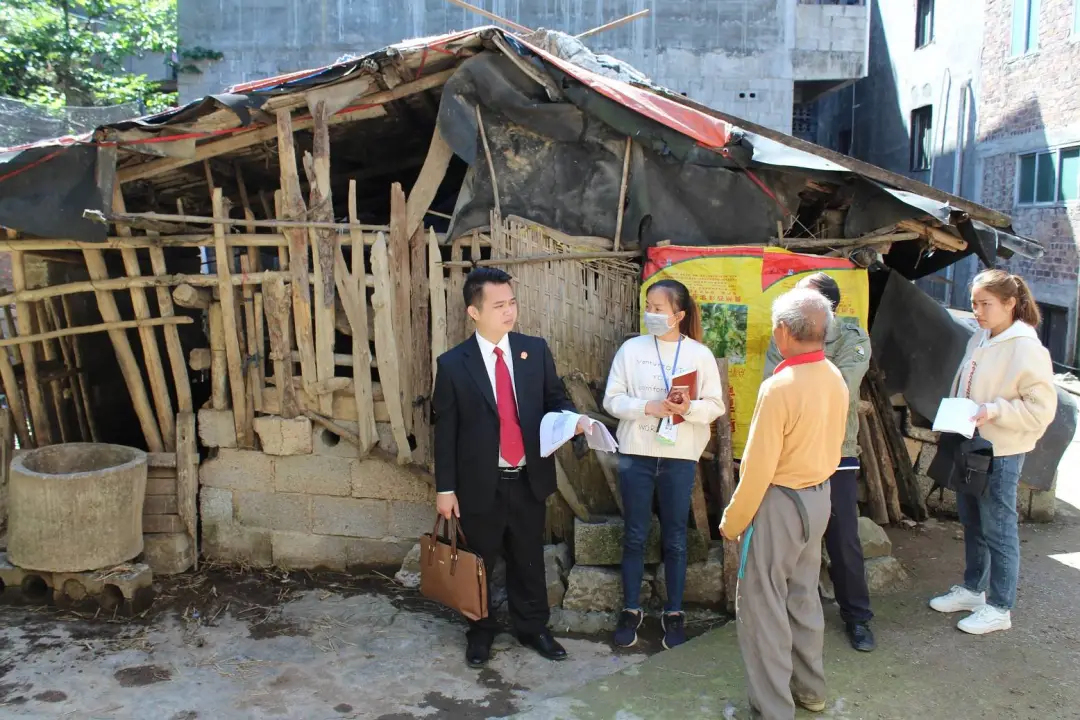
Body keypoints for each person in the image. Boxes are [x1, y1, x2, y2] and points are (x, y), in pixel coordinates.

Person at [431, 267, 586, 668]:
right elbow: (444, 432)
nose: (509, 311)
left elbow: (557, 398)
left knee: (528, 557)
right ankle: (480, 632)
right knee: (478, 561)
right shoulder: (453, 364)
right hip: (479, 483)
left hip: (528, 478)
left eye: (512, 302)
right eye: (498, 305)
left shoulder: (533, 351)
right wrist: (445, 489)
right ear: (474, 311)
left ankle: (533, 627)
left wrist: (572, 421)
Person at [720, 288, 849, 719]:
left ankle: (773, 708)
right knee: (803, 597)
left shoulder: (779, 387)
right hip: (818, 498)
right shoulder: (834, 375)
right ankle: (811, 691)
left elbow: (757, 468)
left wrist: (733, 520)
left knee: (762, 606)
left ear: (781, 332)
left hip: (780, 502)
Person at [928, 269, 1056, 635]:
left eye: (985, 304)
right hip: (972, 442)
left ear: (1010, 303)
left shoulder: (1027, 347)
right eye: (974, 304)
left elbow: (1040, 410)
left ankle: (1000, 607)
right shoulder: (982, 337)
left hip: (1001, 449)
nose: (978, 312)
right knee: (971, 520)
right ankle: (973, 589)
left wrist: (995, 409)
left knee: (999, 527)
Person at [603, 279, 725, 650]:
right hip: (637, 452)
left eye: (658, 309)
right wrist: (648, 407)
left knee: (675, 537)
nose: (651, 314)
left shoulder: (699, 355)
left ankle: (673, 611)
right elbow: (612, 399)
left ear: (679, 315)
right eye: (648, 307)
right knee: (635, 534)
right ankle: (631, 609)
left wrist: (688, 408)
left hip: (679, 456)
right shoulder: (631, 349)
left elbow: (715, 406)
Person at [763, 272, 876, 652]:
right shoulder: (782, 335)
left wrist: (799, 375)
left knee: (843, 536)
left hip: (836, 449)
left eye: (805, 300)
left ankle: (857, 617)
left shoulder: (853, 338)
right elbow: (772, 384)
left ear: (829, 307)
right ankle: (785, 617)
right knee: (788, 537)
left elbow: (838, 387)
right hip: (791, 451)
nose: (797, 307)